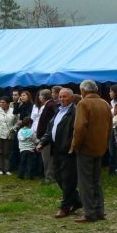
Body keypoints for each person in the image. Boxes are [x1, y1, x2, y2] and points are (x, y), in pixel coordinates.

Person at [71, 79, 112, 223]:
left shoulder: (84, 103)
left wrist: (75, 145)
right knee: (96, 181)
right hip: (100, 147)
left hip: (86, 148)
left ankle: (89, 213)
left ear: (83, 91)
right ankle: (99, 211)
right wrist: (105, 144)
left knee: (85, 182)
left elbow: (80, 127)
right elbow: (110, 127)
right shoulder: (105, 103)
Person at [38, 88, 83, 217]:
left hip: (68, 151)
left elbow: (77, 131)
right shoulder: (58, 110)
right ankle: (77, 201)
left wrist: (72, 146)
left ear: (71, 98)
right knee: (58, 177)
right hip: (56, 150)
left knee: (68, 179)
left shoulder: (74, 112)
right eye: (60, 97)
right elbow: (50, 130)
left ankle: (65, 207)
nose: (62, 99)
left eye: (65, 97)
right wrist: (42, 142)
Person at [36, 89, 56, 184]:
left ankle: (49, 178)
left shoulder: (49, 106)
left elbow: (47, 123)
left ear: (43, 97)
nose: (39, 97)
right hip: (46, 136)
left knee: (47, 158)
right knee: (47, 158)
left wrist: (43, 135)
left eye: (40, 96)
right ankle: (49, 176)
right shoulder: (49, 105)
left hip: (47, 137)